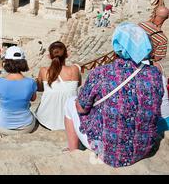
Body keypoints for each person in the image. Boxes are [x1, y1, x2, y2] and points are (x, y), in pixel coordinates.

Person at [64, 23, 164, 167]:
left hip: (108, 152)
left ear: (117, 46)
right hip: (143, 149)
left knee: (70, 102)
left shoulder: (102, 73)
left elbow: (81, 108)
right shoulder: (155, 74)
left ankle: (73, 151)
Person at [0, 46, 37, 134]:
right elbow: (33, 99)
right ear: (23, 62)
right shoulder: (31, 82)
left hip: (3, 127)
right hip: (27, 127)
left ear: (6, 63)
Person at [35, 41, 81, 131]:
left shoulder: (44, 70)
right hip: (71, 121)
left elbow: (39, 88)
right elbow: (78, 84)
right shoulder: (75, 69)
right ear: (67, 55)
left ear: (49, 56)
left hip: (46, 120)